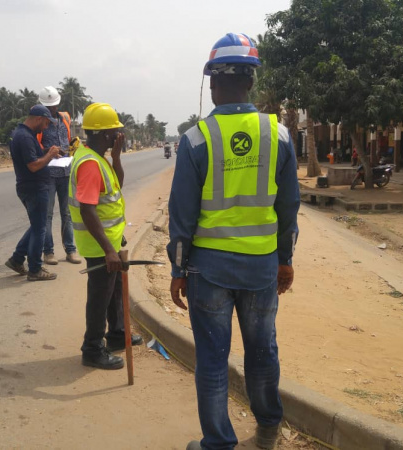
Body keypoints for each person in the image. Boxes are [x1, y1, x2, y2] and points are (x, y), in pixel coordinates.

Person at [167, 33, 300, 450]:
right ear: (251, 81)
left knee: (211, 358)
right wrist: (285, 260)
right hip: (261, 267)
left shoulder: (195, 139)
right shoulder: (278, 134)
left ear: (212, 84)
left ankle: (219, 443)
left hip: (209, 270)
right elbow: (289, 207)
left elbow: (182, 216)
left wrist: (177, 270)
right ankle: (268, 425)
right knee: (262, 350)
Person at [69, 103, 143, 370]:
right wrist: (108, 250)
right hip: (99, 245)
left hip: (109, 241)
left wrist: (117, 158)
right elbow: (88, 209)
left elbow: (117, 185)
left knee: (113, 292)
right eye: (114, 132)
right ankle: (92, 348)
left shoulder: (99, 158)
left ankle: (116, 335)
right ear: (102, 135)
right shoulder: (89, 163)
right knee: (100, 296)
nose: (118, 136)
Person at [5, 105, 61, 281]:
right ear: (38, 119)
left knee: (38, 225)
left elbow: (33, 157)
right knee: (39, 229)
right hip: (34, 188)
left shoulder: (23, 134)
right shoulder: (25, 137)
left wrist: (45, 152)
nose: (45, 127)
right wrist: (50, 155)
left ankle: (17, 259)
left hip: (30, 187)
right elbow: (33, 165)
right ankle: (35, 269)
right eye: (45, 123)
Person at [37, 86, 81, 265]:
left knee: (67, 213)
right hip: (48, 173)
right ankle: (48, 252)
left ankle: (70, 250)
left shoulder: (65, 118)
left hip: (65, 172)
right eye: (49, 107)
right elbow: (35, 147)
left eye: (54, 106)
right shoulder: (39, 123)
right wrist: (48, 151)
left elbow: (68, 139)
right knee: (47, 214)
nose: (52, 109)